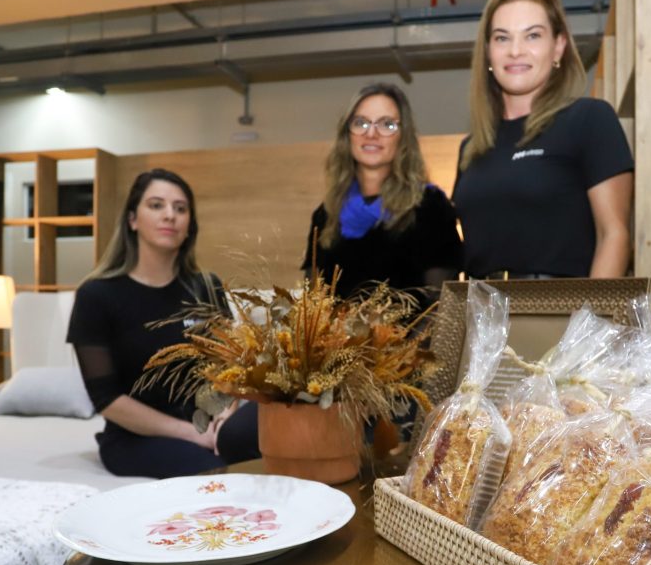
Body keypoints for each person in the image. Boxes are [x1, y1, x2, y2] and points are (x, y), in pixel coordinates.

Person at [67, 168, 260, 479]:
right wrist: (193, 433)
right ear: (132, 219)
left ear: (189, 226)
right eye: (156, 205)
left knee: (282, 424)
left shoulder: (207, 286)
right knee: (218, 474)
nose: (170, 215)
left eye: (180, 208)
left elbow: (230, 369)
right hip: (137, 438)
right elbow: (107, 399)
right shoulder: (96, 295)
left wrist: (224, 421)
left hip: (212, 426)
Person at [452, 0, 634, 280]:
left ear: (559, 46)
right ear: (487, 52)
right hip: (483, 317)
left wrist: (590, 326)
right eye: (502, 37)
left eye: (532, 35)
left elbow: (614, 235)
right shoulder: (471, 149)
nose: (515, 50)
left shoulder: (589, 120)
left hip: (560, 314)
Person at [302, 82, 463, 310]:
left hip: (414, 344)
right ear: (347, 135)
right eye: (361, 123)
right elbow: (312, 309)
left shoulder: (430, 207)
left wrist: (406, 347)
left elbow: (441, 307)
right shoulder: (326, 214)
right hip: (337, 346)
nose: (371, 133)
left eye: (387, 124)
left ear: (403, 136)